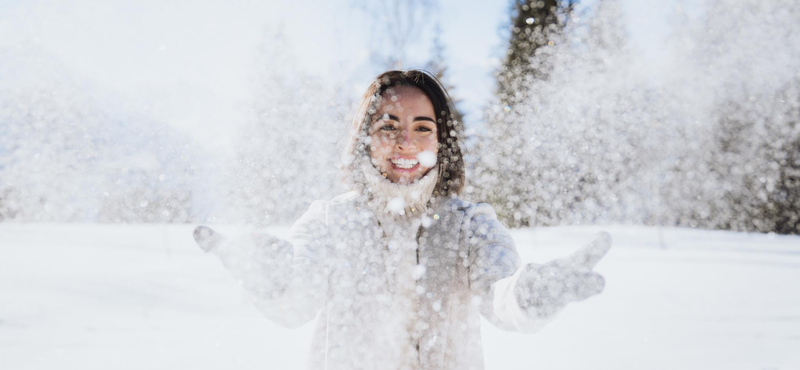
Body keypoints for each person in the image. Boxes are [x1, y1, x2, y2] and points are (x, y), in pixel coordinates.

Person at [193, 69, 611, 370]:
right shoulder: (330, 221)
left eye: (422, 127)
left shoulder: (470, 225)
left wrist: (531, 293)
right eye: (388, 125)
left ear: (442, 141)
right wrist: (265, 273)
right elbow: (293, 302)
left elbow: (501, 296)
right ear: (365, 139)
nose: (405, 141)